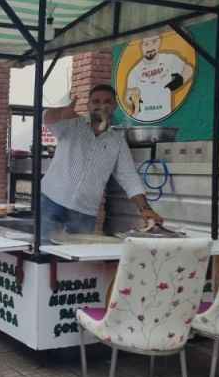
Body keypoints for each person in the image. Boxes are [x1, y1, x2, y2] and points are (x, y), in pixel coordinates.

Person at [41, 84, 164, 243]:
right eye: (96, 101)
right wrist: (61, 112)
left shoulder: (117, 141)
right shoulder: (71, 125)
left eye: (107, 102)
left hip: (84, 212)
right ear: (89, 105)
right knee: (43, 252)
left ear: (114, 106)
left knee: (75, 262)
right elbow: (46, 117)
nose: (101, 106)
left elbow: (129, 177)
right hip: (52, 201)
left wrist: (145, 209)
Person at [125, 35, 194, 122]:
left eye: (154, 42)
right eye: (146, 44)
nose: (150, 47)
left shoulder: (169, 59)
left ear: (159, 42)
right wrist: (131, 98)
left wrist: (174, 85)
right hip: (142, 119)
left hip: (165, 117)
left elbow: (188, 69)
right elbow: (127, 98)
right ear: (141, 46)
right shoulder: (135, 71)